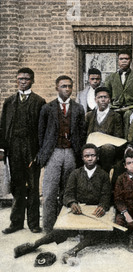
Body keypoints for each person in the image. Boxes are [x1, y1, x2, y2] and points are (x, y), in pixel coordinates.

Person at [13, 144, 112, 263]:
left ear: (97, 157)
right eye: (86, 156)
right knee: (61, 231)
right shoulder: (75, 173)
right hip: (79, 211)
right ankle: (34, 244)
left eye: (92, 155)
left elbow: (106, 195)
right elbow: (67, 194)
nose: (90, 158)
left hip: (94, 213)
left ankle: (73, 251)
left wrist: (102, 206)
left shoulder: (103, 175)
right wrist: (72, 203)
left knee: (95, 233)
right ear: (82, 158)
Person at [37, 75, 86, 233]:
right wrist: (43, 154)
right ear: (57, 88)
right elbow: (41, 133)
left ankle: (67, 226)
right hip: (53, 153)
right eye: (63, 86)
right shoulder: (47, 108)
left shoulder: (78, 108)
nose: (67, 89)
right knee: (50, 191)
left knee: (68, 191)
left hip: (71, 153)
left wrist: (79, 153)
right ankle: (49, 228)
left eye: (69, 86)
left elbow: (82, 132)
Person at [0, 68, 46, 234]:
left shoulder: (39, 102)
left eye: (26, 79)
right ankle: (16, 223)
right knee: (17, 185)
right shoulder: (9, 101)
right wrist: (2, 148)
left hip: (31, 148)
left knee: (32, 186)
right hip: (14, 147)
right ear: (16, 80)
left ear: (32, 80)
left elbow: (43, 130)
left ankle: (33, 223)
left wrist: (40, 152)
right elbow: (3, 126)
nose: (22, 81)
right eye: (20, 79)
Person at [85, 87, 124, 174]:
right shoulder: (89, 116)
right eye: (100, 97)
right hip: (91, 146)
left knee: (107, 148)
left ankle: (105, 175)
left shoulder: (115, 116)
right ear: (95, 99)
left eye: (105, 97)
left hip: (108, 149)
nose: (103, 100)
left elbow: (118, 137)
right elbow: (84, 134)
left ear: (109, 100)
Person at [104, 49, 133, 136]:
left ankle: (127, 143)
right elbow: (106, 95)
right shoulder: (110, 78)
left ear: (131, 60)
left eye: (127, 59)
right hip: (115, 108)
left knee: (127, 115)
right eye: (121, 59)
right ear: (118, 61)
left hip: (131, 108)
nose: (124, 61)